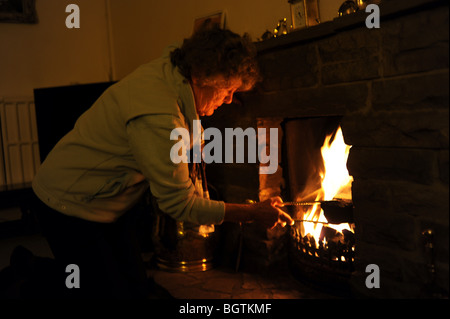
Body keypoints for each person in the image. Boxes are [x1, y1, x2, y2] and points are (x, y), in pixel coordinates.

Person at [31, 25, 294, 299]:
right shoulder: (159, 117)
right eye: (227, 90)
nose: (229, 100)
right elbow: (180, 204)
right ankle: (34, 273)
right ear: (203, 77)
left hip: (108, 202)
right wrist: (252, 213)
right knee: (107, 292)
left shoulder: (174, 65)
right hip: (67, 201)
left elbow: (182, 128)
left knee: (136, 287)